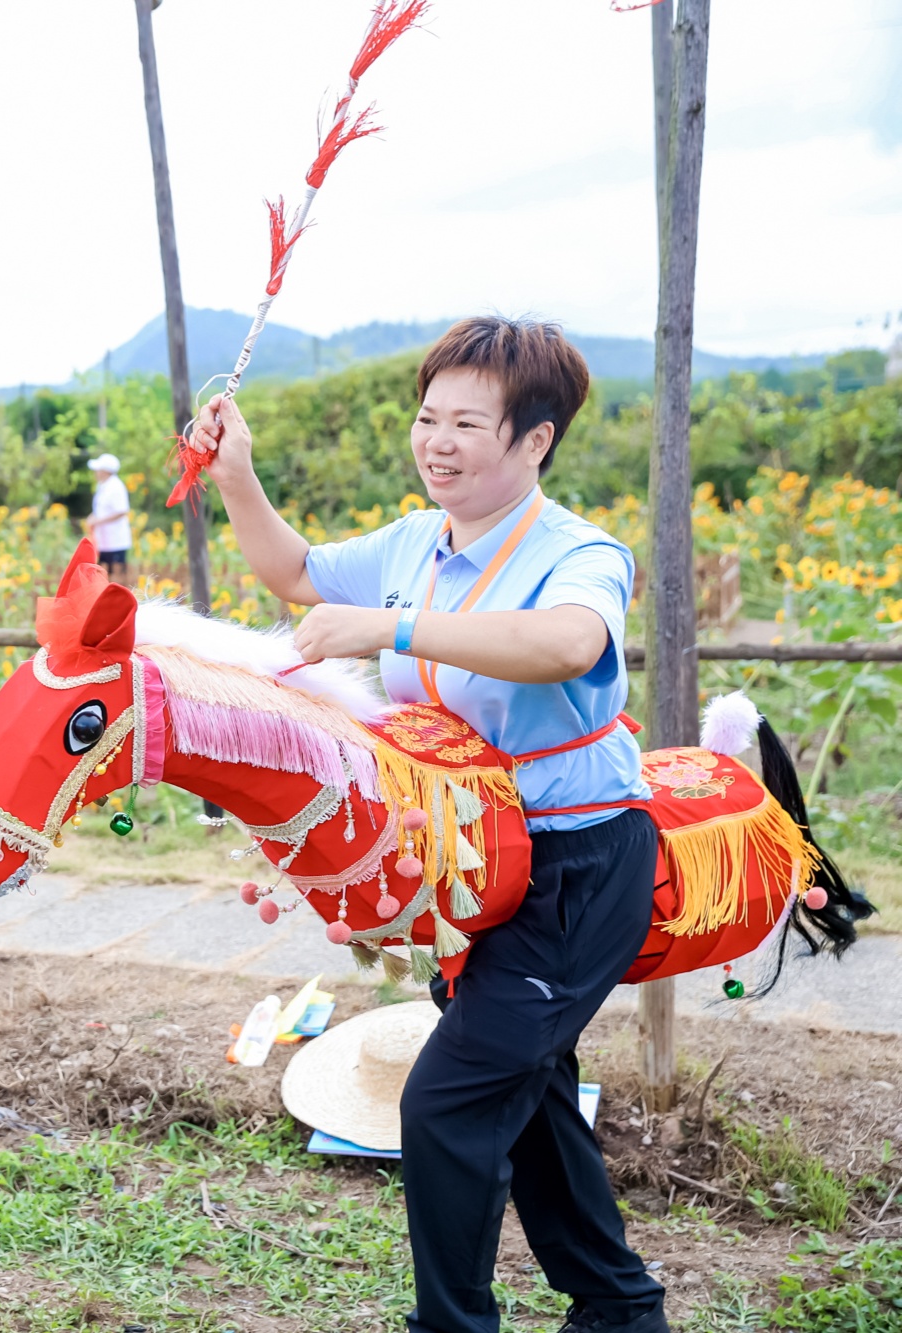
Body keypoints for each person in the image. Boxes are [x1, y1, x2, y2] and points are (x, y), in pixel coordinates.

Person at [191, 316, 667, 1333]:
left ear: (533, 439)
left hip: (573, 868)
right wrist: (236, 475)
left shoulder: (578, 552)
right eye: (425, 417)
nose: (435, 441)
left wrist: (390, 626)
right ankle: (619, 1312)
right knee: (528, 1099)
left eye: (465, 423)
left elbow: (564, 643)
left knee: (445, 1102)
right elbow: (297, 577)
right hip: (468, 865)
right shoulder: (415, 541)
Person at [82, 452, 132, 583]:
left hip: (116, 539)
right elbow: (100, 509)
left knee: (117, 573)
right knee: (105, 572)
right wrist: (92, 517)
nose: (95, 472)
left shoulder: (116, 486)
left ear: (105, 471)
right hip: (103, 539)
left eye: (98, 470)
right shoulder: (103, 486)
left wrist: (98, 521)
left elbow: (121, 511)